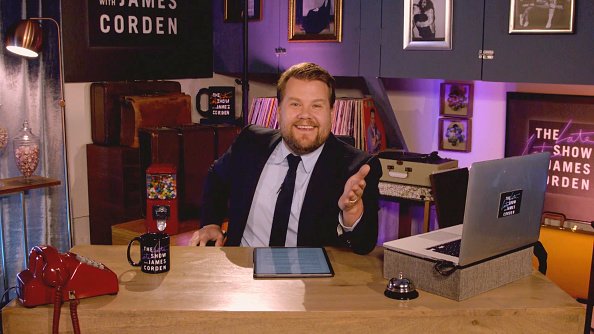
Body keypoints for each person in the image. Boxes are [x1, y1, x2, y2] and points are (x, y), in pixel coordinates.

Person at [188, 62, 381, 255]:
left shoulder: (356, 168)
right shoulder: (250, 142)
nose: (305, 115)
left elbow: (363, 245)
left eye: (316, 106)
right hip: (243, 273)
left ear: (331, 112)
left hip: (310, 279)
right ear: (279, 110)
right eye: (295, 104)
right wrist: (211, 222)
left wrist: (351, 213)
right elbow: (217, 177)